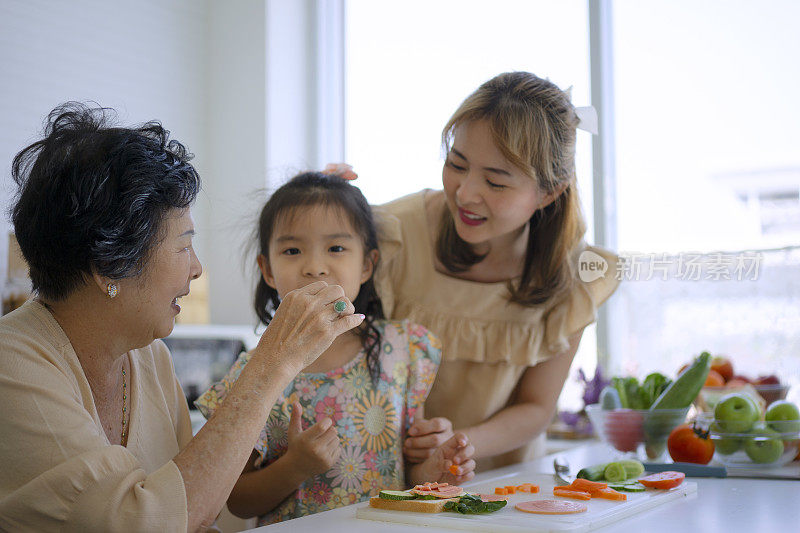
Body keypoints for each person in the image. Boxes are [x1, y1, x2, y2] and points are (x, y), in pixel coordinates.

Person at [0, 104, 364, 532]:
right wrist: (273, 361)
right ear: (109, 265)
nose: (196, 268)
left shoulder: (150, 357)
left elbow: (198, 511)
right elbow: (143, 522)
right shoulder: (13, 364)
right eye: (182, 245)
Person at [371, 72, 620, 472]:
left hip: (505, 488)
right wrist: (327, 214)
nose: (466, 193)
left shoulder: (574, 276)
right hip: (386, 481)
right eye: (457, 163)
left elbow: (537, 407)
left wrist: (459, 445)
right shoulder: (391, 234)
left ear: (549, 192)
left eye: (495, 182)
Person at [194, 172, 475, 525]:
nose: (315, 267)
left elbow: (410, 475)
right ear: (267, 270)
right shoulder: (253, 374)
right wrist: (294, 468)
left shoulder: (403, 351)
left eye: (336, 248)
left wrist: (436, 470)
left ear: (367, 265)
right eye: (292, 250)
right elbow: (237, 500)